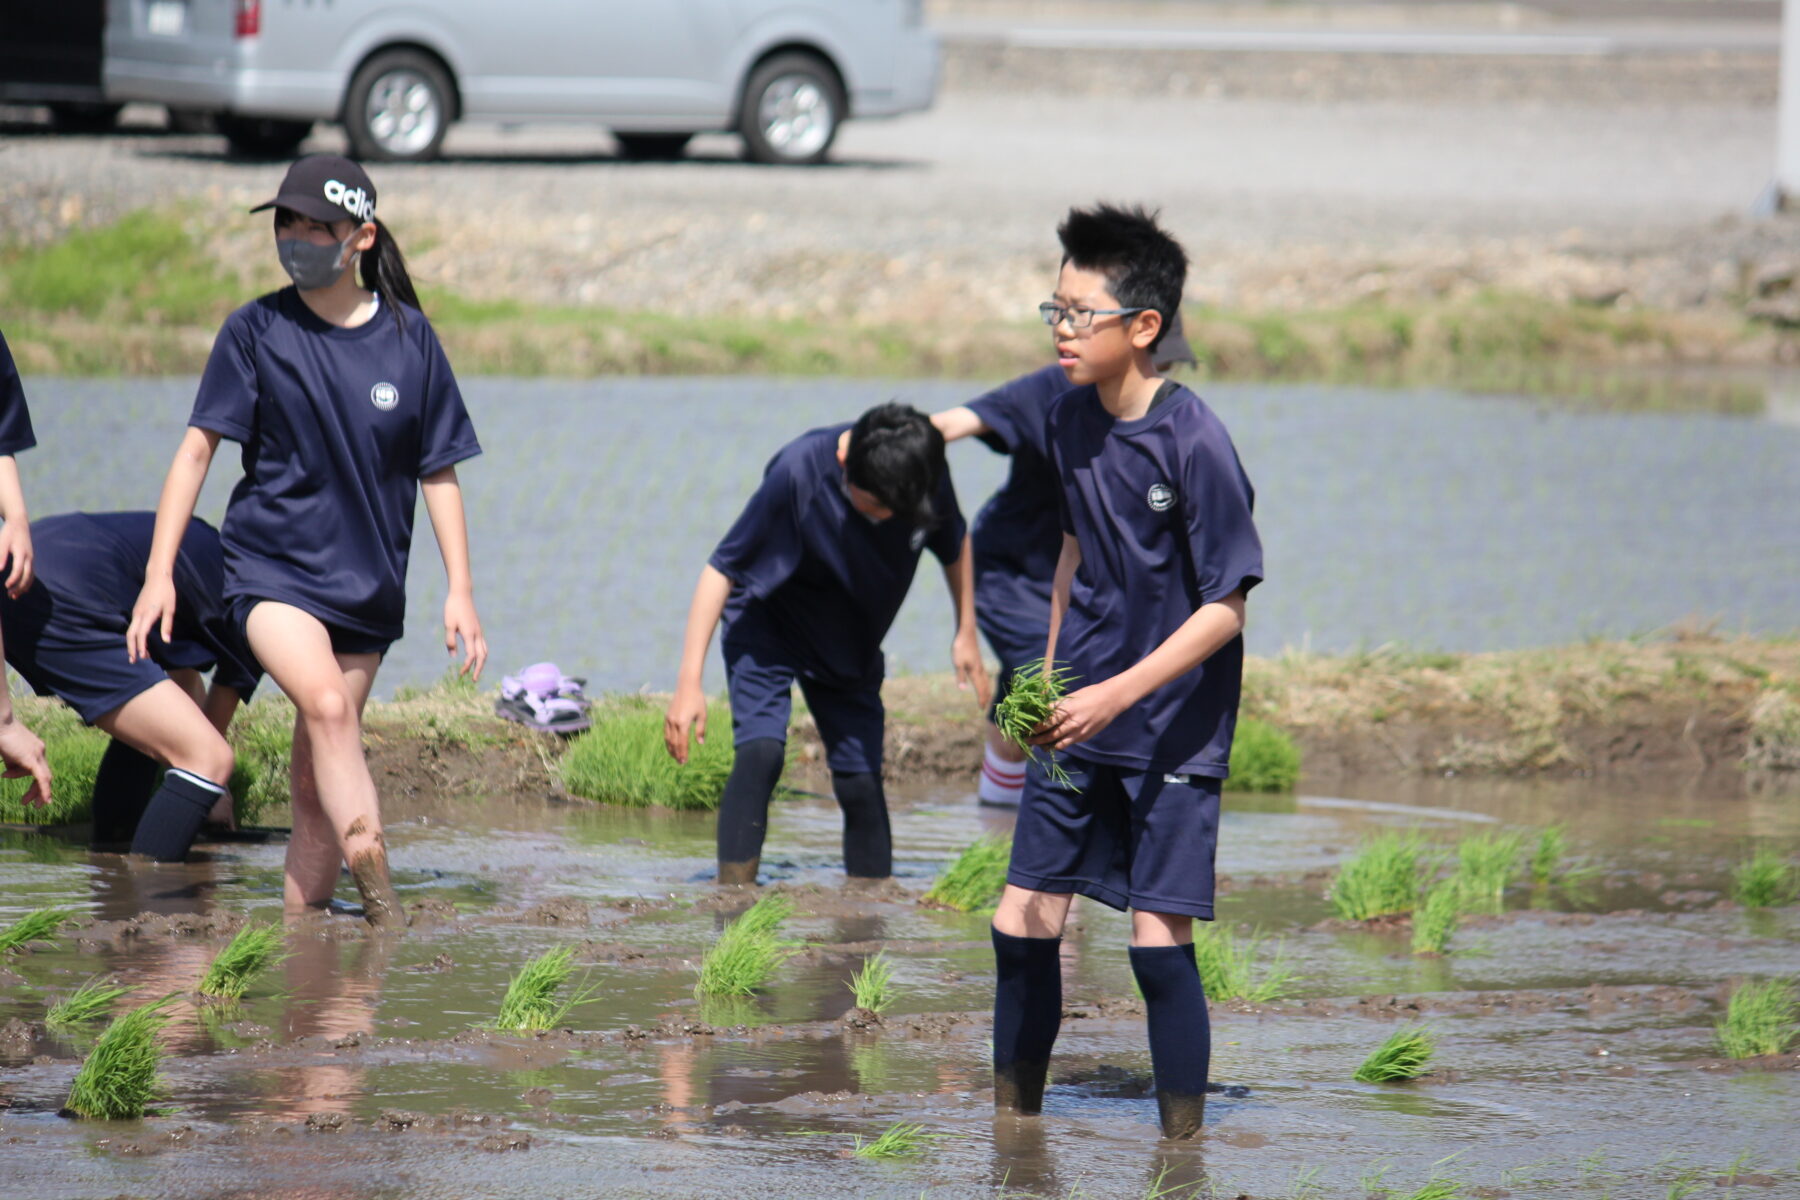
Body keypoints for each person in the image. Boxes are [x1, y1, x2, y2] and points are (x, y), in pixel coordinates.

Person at [128, 154, 487, 927]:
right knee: (326, 708)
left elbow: (440, 472)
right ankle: (385, 910)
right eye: (285, 223)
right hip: (270, 572)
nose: (294, 238)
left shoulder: (409, 339)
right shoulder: (256, 330)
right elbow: (196, 452)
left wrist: (460, 589)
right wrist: (160, 573)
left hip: (367, 587)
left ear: (361, 236)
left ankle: (308, 955)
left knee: (315, 779)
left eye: (314, 226)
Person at [989, 205, 1263, 1140]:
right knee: (1021, 918)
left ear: (1142, 327)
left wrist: (1117, 693)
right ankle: (1012, 1132)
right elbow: (1073, 554)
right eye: (1052, 309)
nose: (1060, 330)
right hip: (1077, 716)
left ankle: (1180, 1150)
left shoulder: (1196, 443)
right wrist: (1054, 679)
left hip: (1172, 725)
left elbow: (1225, 608)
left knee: (1156, 943)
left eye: (1079, 313)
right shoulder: (1067, 420)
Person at [664, 402, 990, 886]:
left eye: (894, 511)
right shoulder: (799, 472)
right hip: (768, 620)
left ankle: (870, 909)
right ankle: (732, 898)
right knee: (762, 753)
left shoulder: (920, 468)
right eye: (873, 505)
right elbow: (722, 569)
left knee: (860, 779)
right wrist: (688, 683)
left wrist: (966, 631)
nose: (883, 518)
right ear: (845, 465)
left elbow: (954, 542)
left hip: (850, 635)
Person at [931, 315, 1198, 808]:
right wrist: (863, 447)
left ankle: (999, 809)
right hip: (1008, 571)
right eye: (1159, 361)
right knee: (1049, 678)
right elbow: (948, 425)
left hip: (1080, 578)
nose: (1162, 373)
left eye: (1170, 365)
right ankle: (1038, 814)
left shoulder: (1162, 417)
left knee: (1035, 686)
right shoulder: (1053, 390)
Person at [0, 511, 260, 857]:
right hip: (59, 596)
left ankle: (112, 851)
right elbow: (211, 727)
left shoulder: (203, 545)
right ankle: (146, 900)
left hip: (27, 563)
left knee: (157, 728)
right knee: (206, 759)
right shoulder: (259, 606)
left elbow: (179, 686)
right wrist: (212, 790)